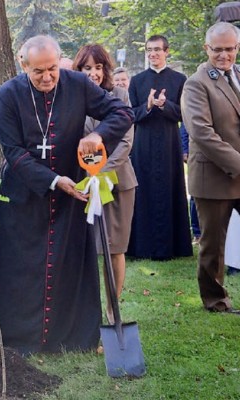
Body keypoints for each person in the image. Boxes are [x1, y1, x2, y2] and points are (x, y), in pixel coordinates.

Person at [0, 35, 134, 354]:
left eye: (52, 68)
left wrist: (97, 134)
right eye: (38, 71)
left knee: (66, 265)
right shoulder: (8, 95)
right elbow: (14, 153)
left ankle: (69, 337)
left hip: (69, 201)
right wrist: (54, 181)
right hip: (23, 197)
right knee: (21, 268)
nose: (47, 77)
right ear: (23, 65)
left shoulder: (77, 84)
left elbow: (121, 115)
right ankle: (18, 337)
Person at [73, 44, 137, 324]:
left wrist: (101, 173)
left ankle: (113, 312)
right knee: (83, 251)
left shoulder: (119, 94)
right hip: (81, 185)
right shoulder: (72, 97)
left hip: (117, 182)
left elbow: (125, 140)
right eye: (87, 68)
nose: (93, 74)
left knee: (114, 249)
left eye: (98, 67)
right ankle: (85, 314)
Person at [181, 21, 240, 315]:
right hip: (214, 176)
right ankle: (215, 300)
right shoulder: (197, 83)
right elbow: (202, 132)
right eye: (218, 50)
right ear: (207, 49)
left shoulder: (239, 75)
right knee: (214, 245)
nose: (224, 55)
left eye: (229, 49)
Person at [126, 35, 192, 260]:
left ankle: (172, 247)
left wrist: (165, 106)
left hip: (168, 143)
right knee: (142, 192)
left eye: (156, 49)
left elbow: (185, 114)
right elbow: (130, 115)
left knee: (169, 190)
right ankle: (141, 247)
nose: (152, 54)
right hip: (142, 145)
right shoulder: (136, 81)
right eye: (149, 50)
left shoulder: (179, 79)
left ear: (167, 52)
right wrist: (148, 105)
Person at [180, 123, 201, 245]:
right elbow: (185, 126)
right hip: (195, 154)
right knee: (195, 195)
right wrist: (184, 150)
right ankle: (197, 233)